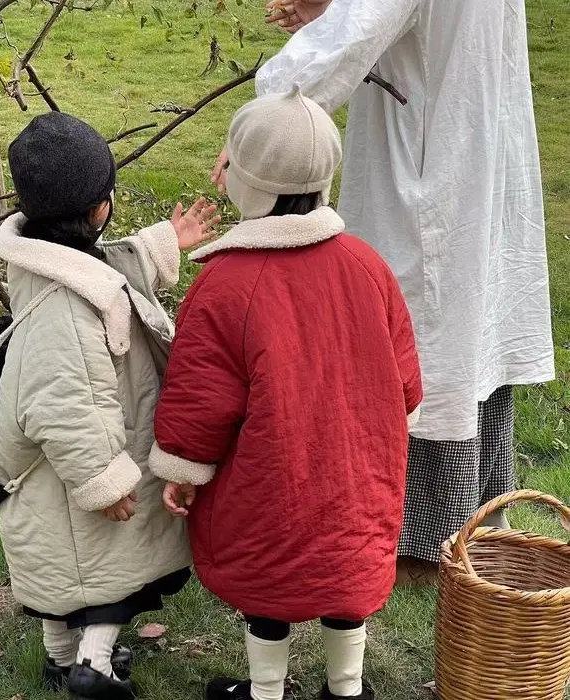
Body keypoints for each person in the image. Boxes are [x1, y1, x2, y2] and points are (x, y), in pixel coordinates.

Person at [212, 0, 556, 582]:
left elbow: (357, 31)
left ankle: (425, 532)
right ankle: (471, 508)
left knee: (424, 329)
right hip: (469, 136)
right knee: (466, 324)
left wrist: (262, 128)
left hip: (434, 158)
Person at [150, 89, 423, 700]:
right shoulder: (367, 265)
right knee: (344, 563)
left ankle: (266, 691)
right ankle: (346, 687)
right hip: (356, 473)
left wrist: (183, 467)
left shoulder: (225, 285)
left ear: (247, 186)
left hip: (271, 479)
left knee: (269, 570)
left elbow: (200, 395)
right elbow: (406, 383)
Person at [0, 111, 219, 700]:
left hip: (56, 472)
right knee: (108, 570)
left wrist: (166, 241)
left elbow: (107, 266)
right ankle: (93, 667)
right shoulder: (60, 308)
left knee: (72, 567)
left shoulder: (47, 261)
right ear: (99, 208)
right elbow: (61, 401)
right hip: (86, 464)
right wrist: (102, 479)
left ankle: (61, 659)